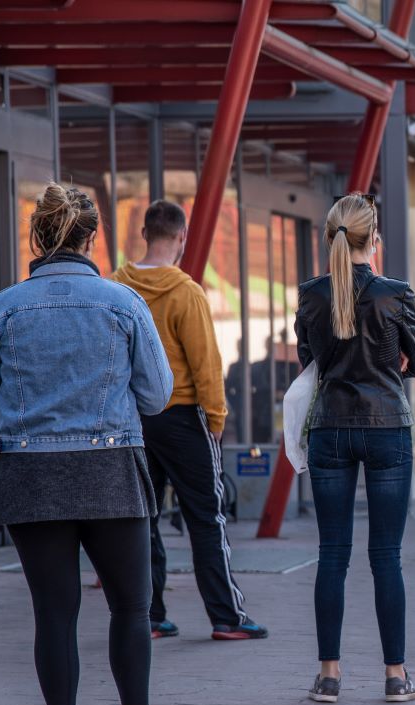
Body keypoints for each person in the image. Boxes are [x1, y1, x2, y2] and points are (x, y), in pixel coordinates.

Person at [0, 184, 202, 705]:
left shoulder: (2, 307)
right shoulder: (123, 304)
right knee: (130, 605)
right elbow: (154, 394)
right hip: (109, 469)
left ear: (40, 236)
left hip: (27, 473)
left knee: (54, 612)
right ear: (93, 238)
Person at [114, 201, 266, 641]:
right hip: (183, 418)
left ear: (144, 233)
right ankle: (226, 617)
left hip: (134, 419)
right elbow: (206, 367)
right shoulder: (187, 293)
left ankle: (150, 614)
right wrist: (216, 422)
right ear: (181, 238)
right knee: (206, 517)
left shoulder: (118, 288)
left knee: (142, 519)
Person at [296, 193, 415, 703]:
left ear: (330, 238)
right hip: (387, 424)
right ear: (373, 239)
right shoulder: (395, 293)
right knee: (386, 555)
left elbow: (310, 362)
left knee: (332, 555)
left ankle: (329, 675)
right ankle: (395, 676)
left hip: (330, 426)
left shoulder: (311, 294)